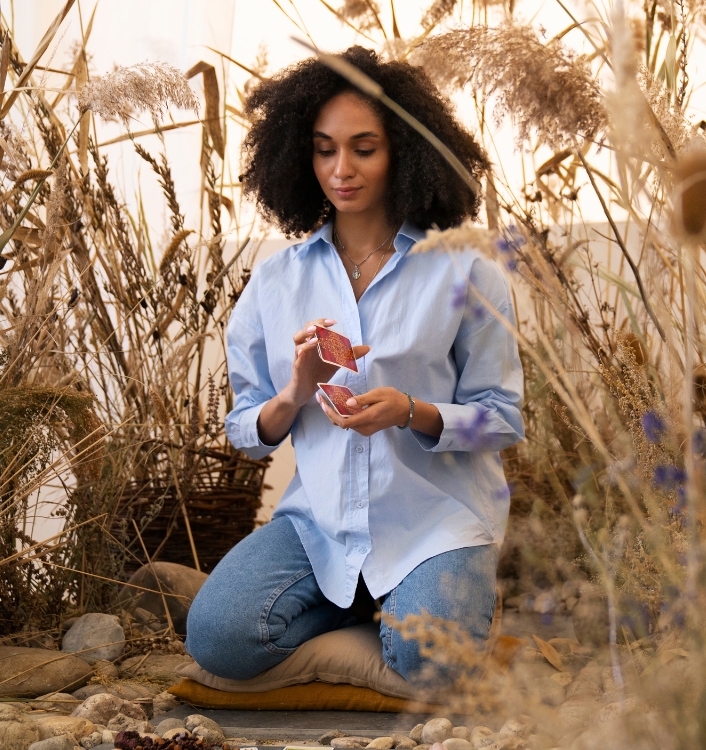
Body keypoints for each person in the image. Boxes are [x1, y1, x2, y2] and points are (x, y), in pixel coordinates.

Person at [184, 47, 524, 690]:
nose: (341, 169)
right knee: (218, 637)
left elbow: (502, 418)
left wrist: (412, 412)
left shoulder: (466, 271)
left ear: (402, 150)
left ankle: (424, 603)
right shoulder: (276, 280)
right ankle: (366, 605)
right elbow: (243, 426)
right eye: (323, 149)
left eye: (363, 148)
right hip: (320, 525)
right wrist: (294, 393)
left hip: (436, 520)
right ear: (299, 155)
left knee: (429, 659)